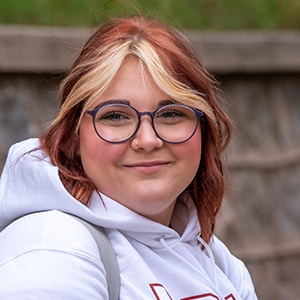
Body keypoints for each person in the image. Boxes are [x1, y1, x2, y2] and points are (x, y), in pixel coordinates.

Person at [0, 14, 258, 300]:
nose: (147, 140)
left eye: (171, 113)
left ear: (203, 130)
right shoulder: (51, 250)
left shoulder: (218, 262)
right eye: (115, 116)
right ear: (72, 136)